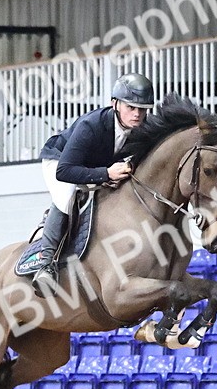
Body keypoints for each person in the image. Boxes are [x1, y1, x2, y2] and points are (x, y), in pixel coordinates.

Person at [22, 73, 156, 296]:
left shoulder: (143, 128)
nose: (137, 114)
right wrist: (106, 173)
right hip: (60, 162)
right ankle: (46, 263)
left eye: (142, 109)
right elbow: (65, 171)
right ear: (115, 104)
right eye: (131, 107)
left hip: (96, 166)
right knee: (66, 197)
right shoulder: (91, 125)